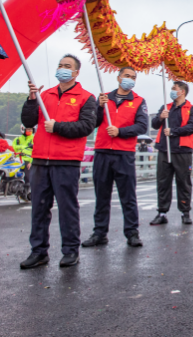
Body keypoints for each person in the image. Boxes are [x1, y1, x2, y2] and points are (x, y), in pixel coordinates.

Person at [19, 54, 97, 269]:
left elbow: (86, 126)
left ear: (76, 72)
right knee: (39, 208)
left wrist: (58, 127)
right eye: (60, 65)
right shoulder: (45, 95)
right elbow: (27, 121)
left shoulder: (86, 97)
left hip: (66, 161)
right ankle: (39, 251)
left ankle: (71, 250)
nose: (62, 68)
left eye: (67, 66)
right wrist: (31, 99)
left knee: (67, 208)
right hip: (40, 160)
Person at [82, 66, 148, 249]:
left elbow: (142, 126)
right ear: (119, 78)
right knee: (102, 195)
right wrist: (100, 107)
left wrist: (120, 132)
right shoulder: (103, 98)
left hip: (124, 153)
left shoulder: (138, 101)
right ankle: (99, 232)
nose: (130, 79)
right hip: (103, 151)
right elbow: (93, 122)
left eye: (133, 77)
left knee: (128, 196)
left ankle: (132, 232)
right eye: (126, 76)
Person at [150, 81, 193, 226]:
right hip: (165, 150)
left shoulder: (192, 109)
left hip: (182, 151)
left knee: (183, 182)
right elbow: (154, 124)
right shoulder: (165, 108)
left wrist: (173, 131)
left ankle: (185, 212)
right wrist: (160, 117)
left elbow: (192, 127)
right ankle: (162, 212)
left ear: (182, 91)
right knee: (163, 182)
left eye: (174, 89)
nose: (172, 91)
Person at [12, 124, 35, 190]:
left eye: (31, 129)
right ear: (23, 129)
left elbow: (36, 151)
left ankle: (27, 189)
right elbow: (12, 149)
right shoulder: (17, 139)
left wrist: (31, 162)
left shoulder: (34, 139)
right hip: (18, 160)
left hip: (28, 160)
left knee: (28, 176)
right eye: (28, 129)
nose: (30, 131)